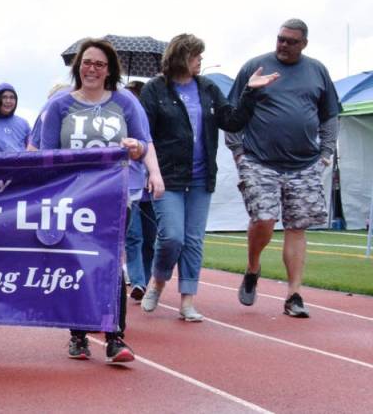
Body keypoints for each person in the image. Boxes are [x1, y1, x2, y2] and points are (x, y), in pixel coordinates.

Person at [37, 38, 164, 364]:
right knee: (77, 261)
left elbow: (144, 143)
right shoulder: (60, 105)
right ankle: (78, 335)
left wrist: (144, 160)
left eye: (99, 64)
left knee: (110, 260)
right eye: (87, 62)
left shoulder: (125, 103)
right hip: (72, 195)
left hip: (114, 194)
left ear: (110, 70)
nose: (92, 69)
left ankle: (114, 336)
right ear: (78, 66)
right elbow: (45, 154)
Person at [138, 33, 268, 320]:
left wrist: (250, 93)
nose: (200, 61)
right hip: (168, 176)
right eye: (197, 56)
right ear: (182, 57)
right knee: (172, 237)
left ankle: (187, 301)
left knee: (194, 239)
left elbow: (231, 120)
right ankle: (158, 281)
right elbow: (145, 134)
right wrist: (151, 171)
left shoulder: (207, 88)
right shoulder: (155, 90)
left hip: (201, 176)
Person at [225, 19, 340, 318]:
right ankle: (253, 267)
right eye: (280, 39)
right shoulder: (255, 66)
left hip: (304, 163)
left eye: (291, 41)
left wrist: (326, 152)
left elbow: (330, 115)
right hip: (258, 160)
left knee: (296, 227)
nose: (284, 45)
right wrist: (238, 152)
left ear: (304, 44)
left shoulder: (317, 71)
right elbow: (232, 113)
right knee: (264, 219)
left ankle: (294, 294)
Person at [122, 80, 153, 301]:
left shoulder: (149, 122)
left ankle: (146, 280)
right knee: (134, 237)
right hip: (129, 184)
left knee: (151, 240)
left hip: (150, 187)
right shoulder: (118, 121)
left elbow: (152, 149)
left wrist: (154, 173)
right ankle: (138, 281)